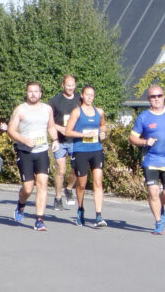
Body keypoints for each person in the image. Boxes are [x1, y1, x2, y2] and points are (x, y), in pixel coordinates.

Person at [129, 85, 165, 235]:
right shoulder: (144, 117)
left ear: (164, 97)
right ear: (149, 99)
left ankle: (159, 206)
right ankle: (159, 222)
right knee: (153, 192)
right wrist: (144, 142)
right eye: (153, 97)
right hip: (151, 159)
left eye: (159, 96)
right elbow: (132, 137)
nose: (157, 99)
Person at [8, 80, 60, 232]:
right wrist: (24, 140)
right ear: (26, 93)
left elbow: (50, 126)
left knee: (43, 183)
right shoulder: (20, 110)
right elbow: (11, 130)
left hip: (42, 151)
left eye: (36, 91)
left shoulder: (47, 109)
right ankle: (21, 205)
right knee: (28, 187)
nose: (33, 94)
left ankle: (39, 220)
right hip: (25, 152)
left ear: (40, 94)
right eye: (30, 91)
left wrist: (55, 140)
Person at [64, 84, 108, 228]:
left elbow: (103, 126)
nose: (90, 98)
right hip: (80, 150)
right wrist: (84, 134)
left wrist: (103, 133)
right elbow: (68, 131)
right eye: (87, 95)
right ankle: (81, 209)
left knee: (98, 182)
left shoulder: (99, 112)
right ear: (82, 95)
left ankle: (99, 215)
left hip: (96, 149)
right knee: (82, 185)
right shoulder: (77, 112)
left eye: (92, 95)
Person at [49, 75, 80, 210]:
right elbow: (48, 121)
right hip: (60, 140)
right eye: (68, 85)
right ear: (63, 85)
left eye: (72, 85)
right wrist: (59, 128)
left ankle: (68, 189)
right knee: (61, 170)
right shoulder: (55, 101)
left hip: (75, 139)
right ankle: (58, 198)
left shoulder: (80, 99)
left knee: (77, 168)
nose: (71, 88)